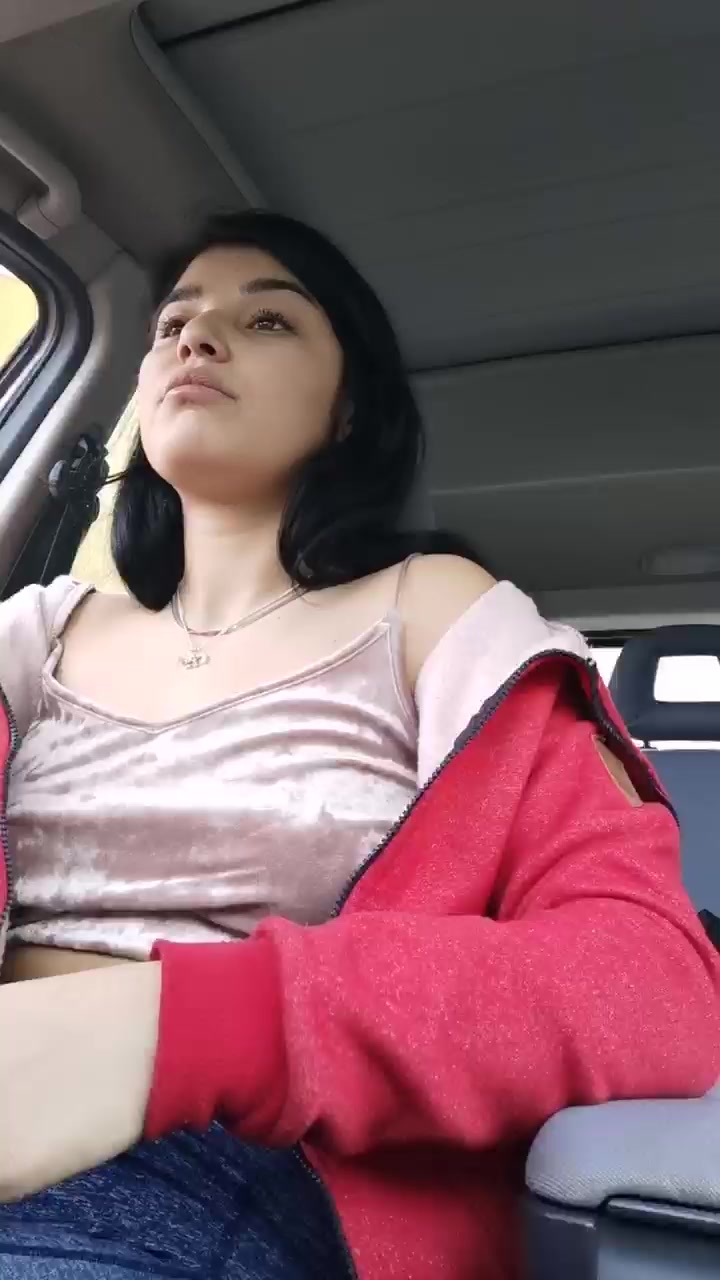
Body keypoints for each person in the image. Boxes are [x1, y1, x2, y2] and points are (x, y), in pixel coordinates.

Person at [0, 210, 717, 1280]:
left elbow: (649, 984)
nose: (197, 337)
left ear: (347, 412)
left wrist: (183, 1031)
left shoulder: (437, 613)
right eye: (172, 323)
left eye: (268, 319)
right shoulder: (32, 634)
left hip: (221, 1164)